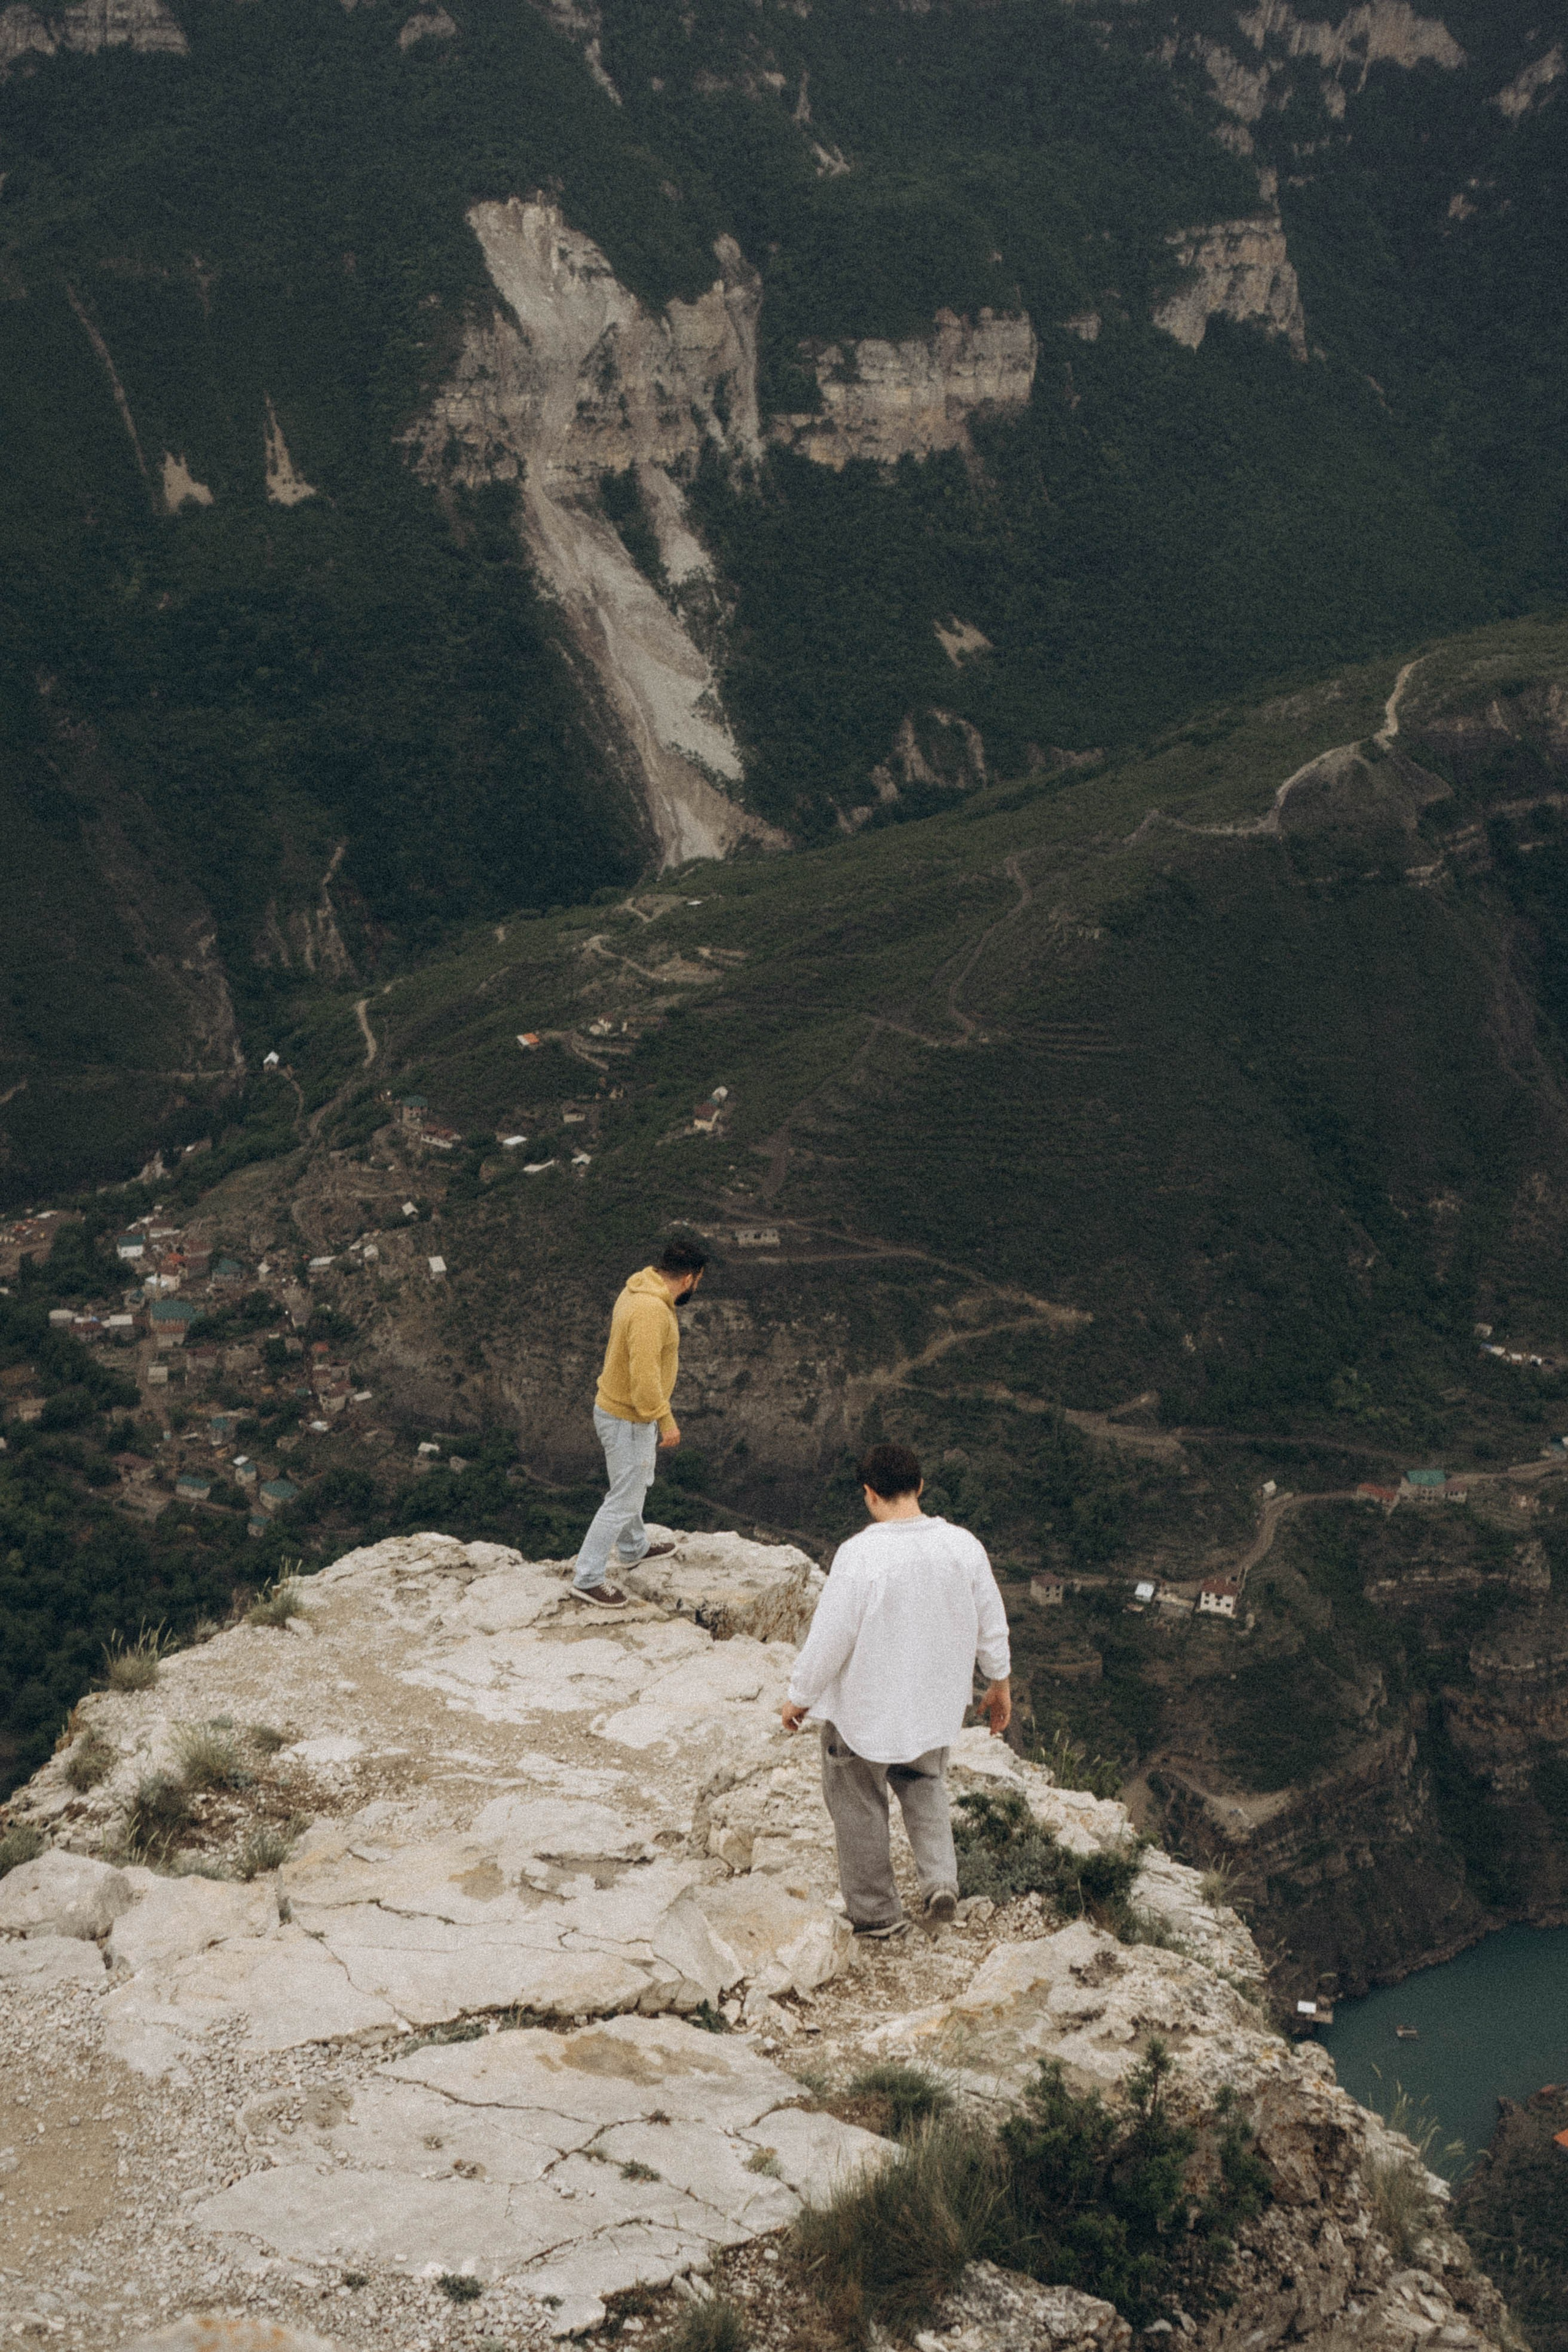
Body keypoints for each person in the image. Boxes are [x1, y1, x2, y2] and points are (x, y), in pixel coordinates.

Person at [780, 1441, 1011, 1936]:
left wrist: (800, 1696)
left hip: (864, 1711)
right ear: (920, 1486)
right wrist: (1000, 1681)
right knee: (925, 1784)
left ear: (869, 1493)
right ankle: (940, 1880)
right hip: (932, 1705)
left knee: (858, 1803)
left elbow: (831, 1637)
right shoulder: (963, 1547)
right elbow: (991, 1621)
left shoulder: (860, 1555)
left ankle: (877, 1914)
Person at [571, 1238, 708, 1607]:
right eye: (698, 1281)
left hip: (618, 1411)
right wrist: (666, 1420)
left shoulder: (638, 1287)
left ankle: (633, 1547)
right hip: (628, 1418)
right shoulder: (651, 1310)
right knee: (624, 1496)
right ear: (690, 1279)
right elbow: (644, 1377)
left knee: (630, 1485)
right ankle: (587, 1578)